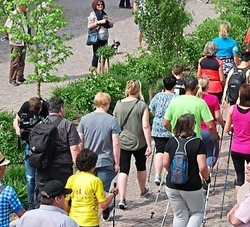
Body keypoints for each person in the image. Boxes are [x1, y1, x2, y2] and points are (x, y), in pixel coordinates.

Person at [76, 92, 120, 219]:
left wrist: (79, 160)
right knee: (101, 193)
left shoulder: (84, 119)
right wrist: (117, 162)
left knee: (88, 192)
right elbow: (116, 143)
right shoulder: (112, 120)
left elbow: (80, 142)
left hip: (87, 162)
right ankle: (101, 213)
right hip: (105, 162)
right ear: (106, 104)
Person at [164, 114, 209, 227]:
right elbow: (202, 166)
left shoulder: (171, 141)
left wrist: (172, 172)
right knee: (197, 212)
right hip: (191, 185)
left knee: (179, 215)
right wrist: (206, 178)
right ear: (192, 126)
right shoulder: (197, 142)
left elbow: (165, 162)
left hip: (172, 185)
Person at [113, 80, 153, 209]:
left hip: (123, 141)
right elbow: (145, 126)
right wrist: (149, 144)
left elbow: (115, 123)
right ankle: (142, 190)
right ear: (138, 90)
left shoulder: (118, 104)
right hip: (139, 142)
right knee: (141, 166)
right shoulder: (141, 105)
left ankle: (122, 198)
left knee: (124, 169)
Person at [33, 98, 81, 199]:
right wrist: (79, 167)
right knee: (62, 197)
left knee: (44, 197)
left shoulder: (39, 125)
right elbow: (74, 148)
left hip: (42, 166)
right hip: (62, 167)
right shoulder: (67, 125)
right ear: (61, 109)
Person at [224, 84, 250, 190]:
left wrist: (233, 128)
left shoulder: (232, 109)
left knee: (240, 177)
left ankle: (240, 201)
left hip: (236, 147)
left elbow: (226, 129)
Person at [14, 96, 50, 207]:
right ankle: (31, 203)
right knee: (30, 178)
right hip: (29, 145)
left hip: (43, 146)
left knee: (42, 177)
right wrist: (18, 130)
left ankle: (40, 202)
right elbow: (16, 120)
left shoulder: (47, 107)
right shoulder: (26, 105)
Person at [64, 151, 116, 227]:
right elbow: (103, 205)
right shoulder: (96, 181)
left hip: (73, 221)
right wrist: (113, 194)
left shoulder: (72, 179)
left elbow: (66, 202)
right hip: (90, 222)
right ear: (93, 166)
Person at [164, 76, 220, 142]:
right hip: (194, 140)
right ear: (196, 87)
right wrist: (215, 137)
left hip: (177, 140)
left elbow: (165, 123)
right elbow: (210, 126)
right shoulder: (200, 103)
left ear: (184, 87)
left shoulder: (174, 101)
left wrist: (174, 132)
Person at [149, 76, 178, 186]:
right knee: (172, 151)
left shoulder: (158, 96)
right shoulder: (176, 98)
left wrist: (157, 116)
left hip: (158, 126)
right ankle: (172, 172)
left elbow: (151, 109)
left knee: (159, 150)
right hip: (171, 126)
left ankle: (157, 174)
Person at [4, 4, 29, 86]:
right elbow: (6, 27)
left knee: (22, 60)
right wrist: (10, 37)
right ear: (20, 6)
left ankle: (20, 76)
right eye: (25, 6)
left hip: (23, 40)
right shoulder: (13, 15)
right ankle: (12, 79)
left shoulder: (23, 14)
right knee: (15, 61)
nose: (26, 8)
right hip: (16, 42)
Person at [87, 0, 114, 73]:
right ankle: (93, 72)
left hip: (104, 36)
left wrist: (108, 21)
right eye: (98, 4)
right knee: (96, 55)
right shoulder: (93, 14)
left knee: (104, 54)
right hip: (97, 37)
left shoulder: (105, 14)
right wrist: (98, 23)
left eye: (101, 4)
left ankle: (101, 71)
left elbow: (111, 25)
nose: (100, 6)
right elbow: (89, 26)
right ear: (95, 5)